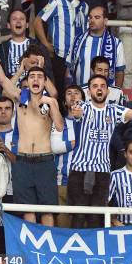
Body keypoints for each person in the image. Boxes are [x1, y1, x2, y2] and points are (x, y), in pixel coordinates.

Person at [68, 74, 132, 228]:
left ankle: (97, 251)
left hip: (102, 172)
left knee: (97, 219)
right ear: (89, 92)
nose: (99, 89)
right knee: (78, 218)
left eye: (102, 86)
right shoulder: (83, 107)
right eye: (95, 86)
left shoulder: (114, 110)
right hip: (80, 170)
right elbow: (76, 111)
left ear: (107, 91)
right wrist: (76, 112)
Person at [0, 36, 64, 226]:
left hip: (45, 161)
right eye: (32, 77)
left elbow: (60, 126)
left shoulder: (50, 101)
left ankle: (48, 253)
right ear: (27, 81)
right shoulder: (20, 97)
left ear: (44, 80)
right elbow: (4, 81)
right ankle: (31, 255)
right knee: (28, 212)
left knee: (47, 212)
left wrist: (51, 101)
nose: (35, 80)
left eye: (39, 77)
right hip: (22, 161)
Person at [34, 0, 89, 97]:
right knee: (59, 91)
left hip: (79, 57)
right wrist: (46, 44)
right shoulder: (57, 2)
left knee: (78, 91)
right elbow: (37, 21)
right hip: (60, 56)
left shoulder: (85, 6)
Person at [68, 6, 125, 87]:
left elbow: (119, 72)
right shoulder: (77, 40)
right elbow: (69, 68)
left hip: (105, 95)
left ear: (105, 21)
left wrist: (117, 92)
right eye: (90, 17)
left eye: (97, 17)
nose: (92, 20)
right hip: (80, 93)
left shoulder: (116, 43)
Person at [54, 85, 83, 228]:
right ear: (64, 102)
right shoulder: (58, 122)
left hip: (85, 185)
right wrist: (76, 142)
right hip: (62, 183)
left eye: (77, 93)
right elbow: (53, 147)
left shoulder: (90, 123)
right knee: (63, 229)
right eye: (69, 93)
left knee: (83, 229)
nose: (73, 96)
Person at [0, 9, 52, 79]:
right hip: (9, 88)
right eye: (14, 19)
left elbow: (49, 74)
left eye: (22, 19)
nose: (18, 21)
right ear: (8, 25)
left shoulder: (39, 46)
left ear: (27, 25)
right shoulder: (0, 49)